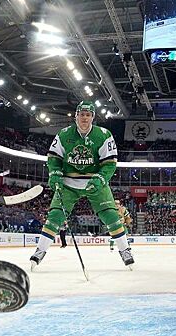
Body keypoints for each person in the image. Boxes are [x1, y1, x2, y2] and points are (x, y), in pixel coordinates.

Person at [30, 101, 134, 269]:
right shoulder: (64, 134)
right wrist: (54, 173)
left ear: (93, 117)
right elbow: (54, 158)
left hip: (95, 182)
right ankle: (40, 251)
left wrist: (100, 178)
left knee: (111, 216)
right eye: (81, 114)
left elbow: (110, 163)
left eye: (88, 115)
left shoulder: (104, 135)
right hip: (68, 183)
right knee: (55, 216)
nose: (84, 118)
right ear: (76, 116)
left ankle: (125, 250)